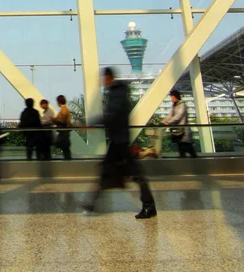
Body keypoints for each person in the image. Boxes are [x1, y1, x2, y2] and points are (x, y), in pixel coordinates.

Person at [82, 67, 156, 219]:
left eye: (104, 78)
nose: (102, 81)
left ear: (109, 77)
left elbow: (112, 115)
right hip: (118, 140)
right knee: (107, 170)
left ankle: (149, 206)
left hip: (120, 141)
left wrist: (94, 123)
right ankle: (91, 202)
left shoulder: (117, 93)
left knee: (134, 174)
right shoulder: (116, 92)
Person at [163, 89, 197, 158]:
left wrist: (168, 122)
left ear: (176, 97)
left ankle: (194, 164)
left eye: (172, 97)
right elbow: (170, 115)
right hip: (179, 133)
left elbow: (178, 116)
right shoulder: (174, 105)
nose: (171, 99)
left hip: (184, 132)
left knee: (186, 149)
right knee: (184, 150)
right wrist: (163, 122)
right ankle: (192, 164)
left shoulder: (182, 105)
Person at [53, 95, 72, 160]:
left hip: (63, 130)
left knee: (62, 145)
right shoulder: (64, 109)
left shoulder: (63, 109)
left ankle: (67, 160)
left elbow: (63, 120)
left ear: (59, 102)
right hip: (64, 130)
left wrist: (55, 120)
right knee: (65, 147)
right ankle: (68, 159)